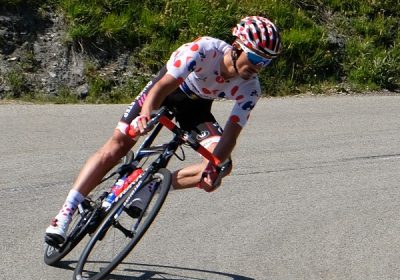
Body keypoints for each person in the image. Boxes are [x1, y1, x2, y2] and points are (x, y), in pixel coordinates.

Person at [45, 16, 283, 244]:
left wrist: (214, 165)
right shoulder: (204, 50)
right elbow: (161, 88)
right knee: (119, 143)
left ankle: (152, 185)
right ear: (238, 47)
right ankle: (65, 213)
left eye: (267, 63)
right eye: (256, 59)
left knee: (223, 166)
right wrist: (145, 116)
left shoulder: (251, 88)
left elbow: (231, 133)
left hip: (197, 109)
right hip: (167, 92)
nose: (259, 67)